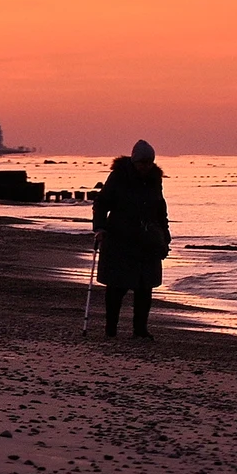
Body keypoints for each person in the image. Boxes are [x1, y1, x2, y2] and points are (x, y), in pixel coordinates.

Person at [92, 140, 170, 340]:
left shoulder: (155, 179)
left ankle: (140, 330)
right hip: (120, 238)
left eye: (149, 162)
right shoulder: (119, 177)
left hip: (148, 240)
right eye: (142, 163)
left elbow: (160, 209)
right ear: (134, 161)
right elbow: (101, 204)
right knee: (117, 287)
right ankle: (111, 329)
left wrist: (165, 236)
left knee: (145, 287)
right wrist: (99, 228)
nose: (145, 166)